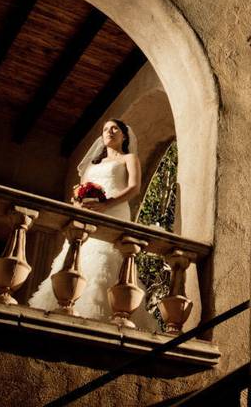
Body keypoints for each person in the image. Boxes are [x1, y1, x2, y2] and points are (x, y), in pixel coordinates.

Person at [27, 119, 156, 329]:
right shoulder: (93, 165)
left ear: (124, 135)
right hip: (89, 214)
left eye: (114, 128)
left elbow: (134, 187)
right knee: (79, 256)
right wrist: (79, 202)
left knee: (107, 259)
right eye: (105, 129)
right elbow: (81, 188)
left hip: (114, 211)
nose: (109, 132)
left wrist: (107, 204)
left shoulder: (129, 158)